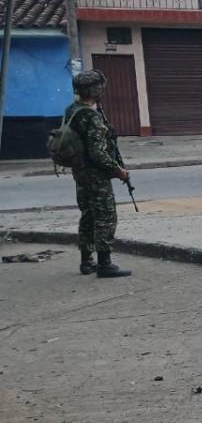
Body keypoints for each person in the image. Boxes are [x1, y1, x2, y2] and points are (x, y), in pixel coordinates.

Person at [66, 70, 132, 278]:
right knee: (105, 216)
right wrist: (118, 170)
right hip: (96, 175)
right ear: (95, 90)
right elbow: (97, 153)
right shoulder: (92, 117)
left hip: (80, 172)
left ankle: (86, 261)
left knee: (88, 215)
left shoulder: (72, 111)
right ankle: (105, 263)